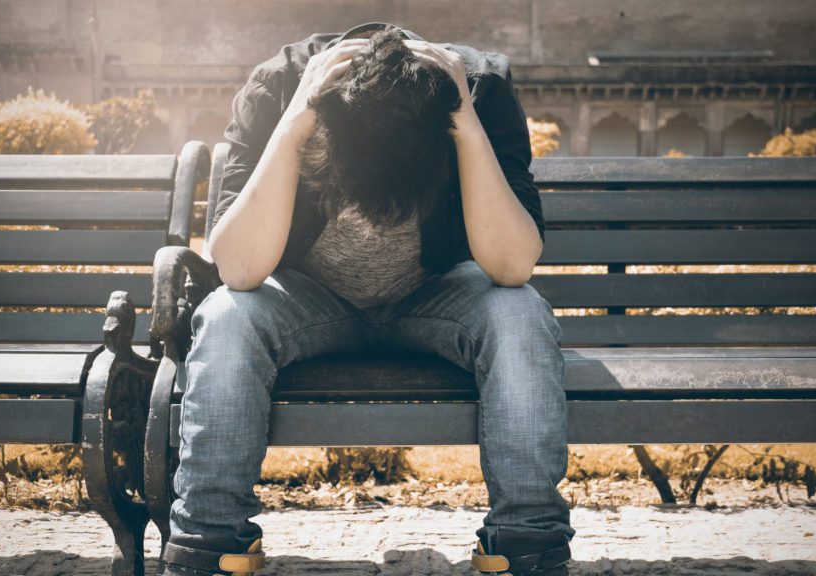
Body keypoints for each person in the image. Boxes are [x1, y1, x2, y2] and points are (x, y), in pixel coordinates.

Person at [158, 21, 574, 576]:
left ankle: (526, 544)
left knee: (520, 313)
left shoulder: (479, 91)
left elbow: (511, 265)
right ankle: (209, 543)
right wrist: (295, 124)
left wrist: (467, 127)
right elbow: (237, 268)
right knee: (228, 317)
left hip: (436, 294)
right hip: (308, 299)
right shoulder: (279, 86)